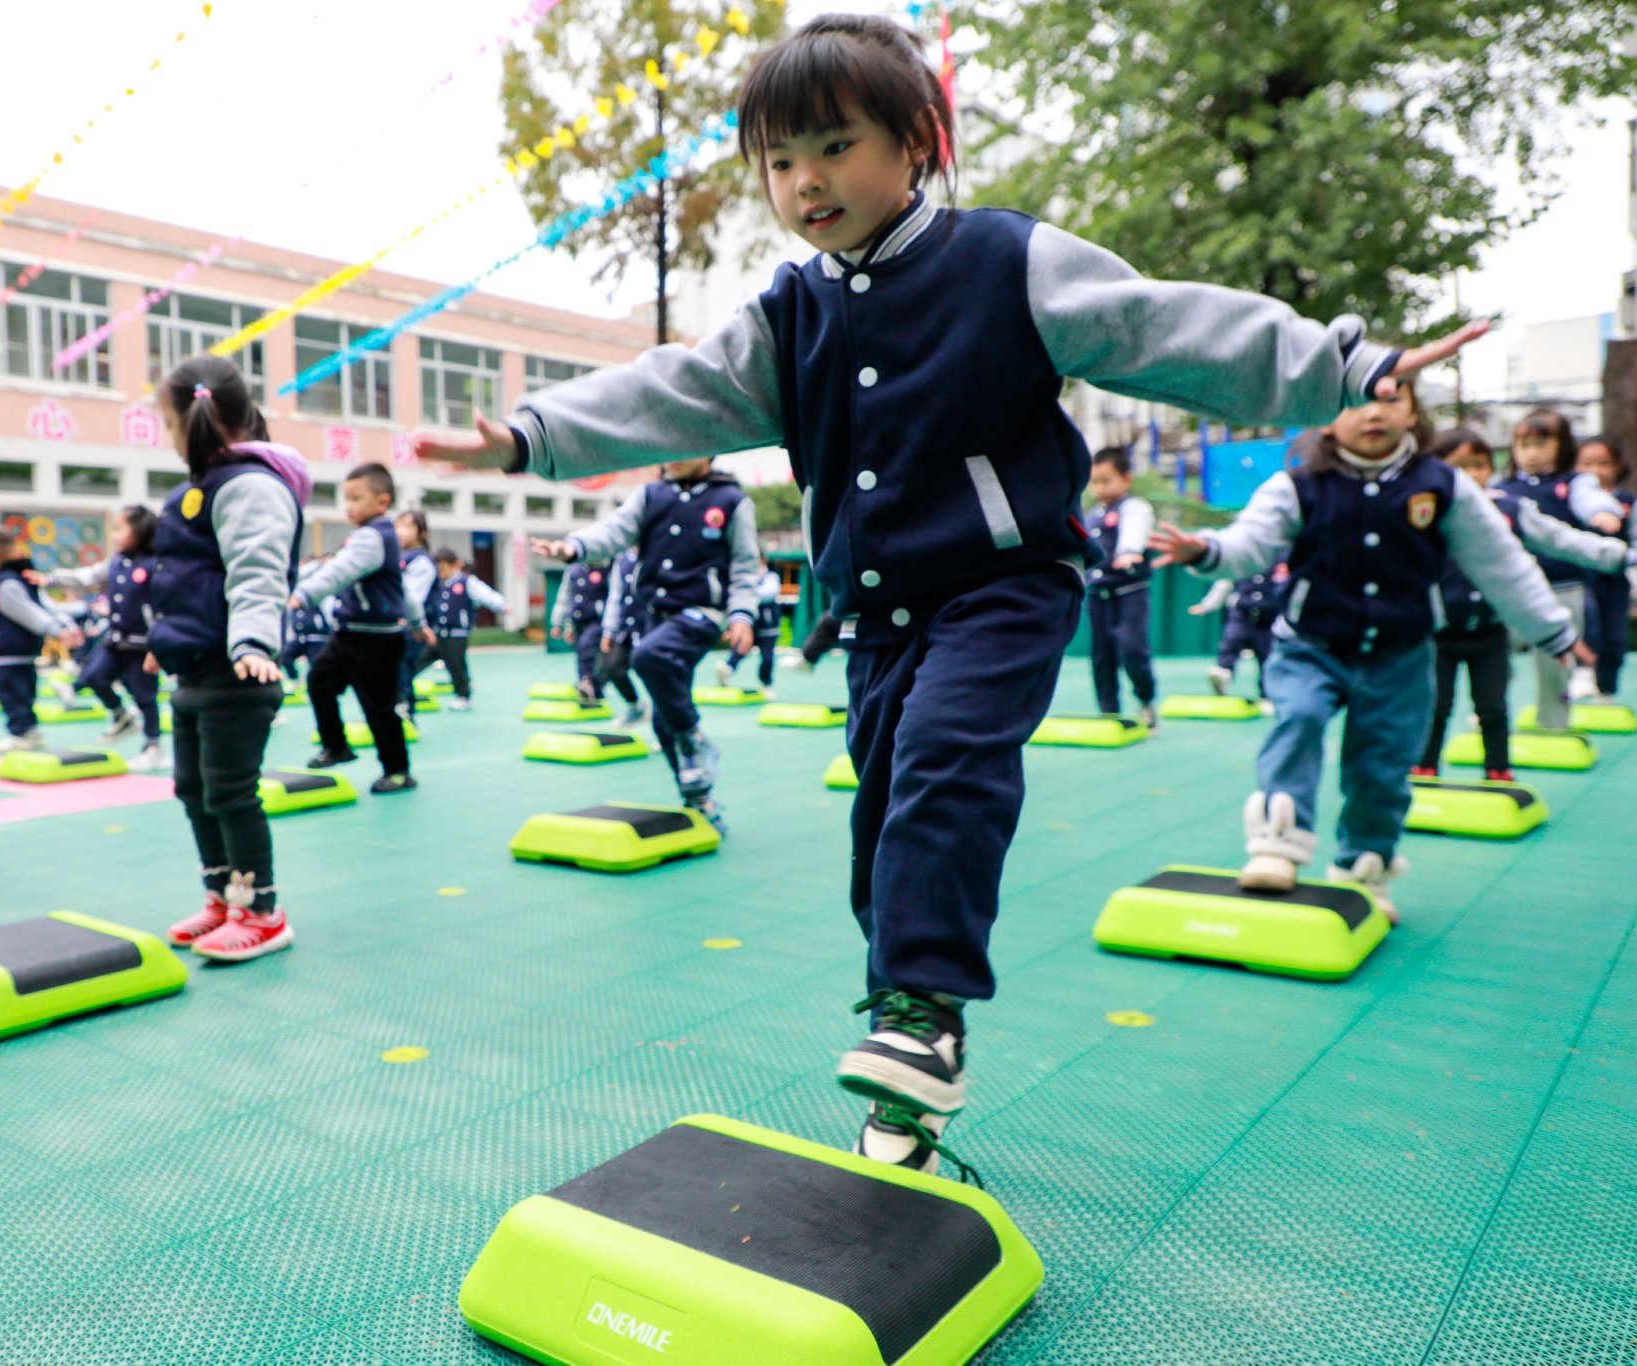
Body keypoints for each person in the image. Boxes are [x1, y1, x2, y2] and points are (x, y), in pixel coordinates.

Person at [414, 11, 1487, 1174]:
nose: (803, 180)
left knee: (942, 765)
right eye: (778, 160)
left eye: (832, 145)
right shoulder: (790, 311)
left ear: (916, 140)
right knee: (880, 837)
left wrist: (1341, 363)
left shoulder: (1006, 261)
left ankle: (919, 1012)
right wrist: (528, 434)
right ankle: (909, 1069)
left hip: (1002, 583)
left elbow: (1159, 324)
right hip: (873, 613)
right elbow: (676, 392)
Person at [1152, 390, 1592, 924]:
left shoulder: (1442, 485)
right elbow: (1253, 541)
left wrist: (1553, 631)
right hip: (1310, 644)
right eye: (1355, 400)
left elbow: (1501, 562)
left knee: (1382, 765)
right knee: (1298, 719)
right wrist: (1206, 550)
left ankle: (1365, 866)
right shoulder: (1299, 483)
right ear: (1330, 416)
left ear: (1412, 412)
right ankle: (1277, 843)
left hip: (1400, 655)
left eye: (1390, 400)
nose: (1374, 413)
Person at [143, 356, 309, 961]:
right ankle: (223, 897)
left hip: (240, 670)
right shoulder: (202, 487)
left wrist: (253, 643)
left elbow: (257, 572)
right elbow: (188, 583)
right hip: (198, 668)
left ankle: (262, 910)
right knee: (193, 789)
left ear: (194, 417)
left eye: (167, 422)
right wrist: (166, 644)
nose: (167, 435)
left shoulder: (252, 485)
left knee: (232, 793)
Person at [531, 459, 758, 832]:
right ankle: (700, 797)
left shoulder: (731, 501)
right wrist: (572, 547)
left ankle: (693, 737)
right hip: (655, 617)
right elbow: (613, 531)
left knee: (649, 657)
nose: (675, 455)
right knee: (662, 717)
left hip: (701, 614)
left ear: (711, 450)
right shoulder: (650, 495)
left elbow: (745, 565)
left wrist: (742, 615)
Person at [1414, 428, 1633, 781]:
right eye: (1458, 467)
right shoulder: (1422, 511)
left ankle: (1499, 770)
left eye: (1480, 465)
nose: (1471, 475)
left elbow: (1563, 539)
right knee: (1434, 705)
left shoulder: (1509, 508)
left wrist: (1620, 555)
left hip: (1492, 629)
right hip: (1439, 632)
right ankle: (1423, 766)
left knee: (1493, 705)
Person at [292, 464, 418, 794]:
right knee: (319, 681)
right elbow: (401, 588)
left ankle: (399, 771)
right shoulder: (369, 535)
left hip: (377, 639)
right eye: (345, 499)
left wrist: (303, 596)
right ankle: (337, 747)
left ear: (381, 502)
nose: (348, 506)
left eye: (356, 499)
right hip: (348, 632)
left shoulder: (374, 537)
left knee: (378, 708)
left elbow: (340, 571)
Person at [1495, 409, 1624, 726]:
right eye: (1523, 445)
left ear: (1562, 445)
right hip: (1510, 589)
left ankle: (1553, 723)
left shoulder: (1575, 483)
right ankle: (1488, 714)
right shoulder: (1504, 487)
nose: (1532, 453)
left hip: (1563, 588)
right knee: (1494, 653)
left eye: (1541, 444)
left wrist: (1603, 513)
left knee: (1557, 662)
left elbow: (1592, 498)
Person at [32, 506, 167, 772]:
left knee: (144, 695)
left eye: (120, 529)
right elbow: (86, 577)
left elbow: (165, 603)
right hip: (115, 639)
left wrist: (161, 641)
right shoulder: (115, 562)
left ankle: (153, 746)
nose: (115, 535)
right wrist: (50, 579)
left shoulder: (155, 564)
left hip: (143, 644)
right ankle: (121, 715)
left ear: (140, 530)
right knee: (92, 676)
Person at [0, 526, 81, 753]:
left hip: (10, 649)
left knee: (12, 693)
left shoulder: (8, 582)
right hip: (20, 648)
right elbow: (43, 608)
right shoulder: (19, 578)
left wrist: (57, 630)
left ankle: (21, 732)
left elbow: (29, 612)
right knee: (22, 691)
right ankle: (29, 730)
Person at [1083, 447, 1158, 727]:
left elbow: (1134, 531)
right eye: (1095, 482)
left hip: (1130, 592)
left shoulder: (1134, 507)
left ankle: (1146, 700)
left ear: (1126, 479)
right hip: (1098, 595)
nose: (1099, 488)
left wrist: (1129, 551)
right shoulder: (1090, 515)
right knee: (1101, 655)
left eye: (1106, 480)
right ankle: (1109, 713)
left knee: (1132, 648)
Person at [1576, 435, 1633, 697]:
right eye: (1586, 464)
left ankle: (1606, 692)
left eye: (1604, 463)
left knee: (1614, 637)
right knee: (1587, 626)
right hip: (1580, 577)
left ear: (1619, 465)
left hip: (1614, 580)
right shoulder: (1573, 502)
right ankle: (1582, 676)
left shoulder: (1628, 502)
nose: (1596, 471)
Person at [1191, 564, 1287, 703]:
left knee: (1267, 655)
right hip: (1242, 614)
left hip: (1270, 618)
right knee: (1231, 641)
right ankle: (1223, 673)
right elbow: (1225, 583)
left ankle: (1267, 695)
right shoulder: (1244, 559)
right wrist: (1207, 605)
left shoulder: (1282, 559)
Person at [426, 546, 505, 708]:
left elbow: (485, 594)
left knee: (456, 664)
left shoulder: (466, 582)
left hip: (457, 632)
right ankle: (402, 689)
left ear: (455, 565)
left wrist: (501, 605)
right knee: (420, 659)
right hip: (438, 632)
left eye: (443, 568)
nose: (440, 572)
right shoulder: (438, 584)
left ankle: (463, 695)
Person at [594, 548, 648, 725]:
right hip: (626, 628)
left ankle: (668, 727)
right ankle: (635, 706)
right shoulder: (622, 559)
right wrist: (609, 630)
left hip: (650, 627)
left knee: (655, 675)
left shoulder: (656, 551)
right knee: (611, 668)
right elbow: (615, 595)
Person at [393, 510, 440, 713]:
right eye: (398, 526)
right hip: (398, 625)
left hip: (413, 627)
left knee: (401, 667)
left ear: (422, 533)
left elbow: (413, 597)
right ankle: (396, 707)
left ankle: (404, 710)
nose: (400, 531)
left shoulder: (421, 562)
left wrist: (412, 621)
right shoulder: (398, 556)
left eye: (407, 526)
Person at [716, 560, 784, 696]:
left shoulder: (771, 577)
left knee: (767, 658)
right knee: (740, 649)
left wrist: (746, 591)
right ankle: (727, 670)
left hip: (768, 627)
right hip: (749, 625)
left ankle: (766, 685)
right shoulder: (744, 577)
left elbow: (768, 593)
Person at [554, 557, 616, 702]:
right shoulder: (573, 570)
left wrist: (610, 626)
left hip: (598, 620)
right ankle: (595, 690)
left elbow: (614, 597)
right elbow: (565, 598)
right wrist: (561, 623)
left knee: (586, 646)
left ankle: (587, 681)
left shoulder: (607, 568)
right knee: (580, 651)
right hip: (577, 620)